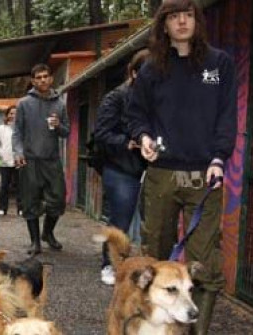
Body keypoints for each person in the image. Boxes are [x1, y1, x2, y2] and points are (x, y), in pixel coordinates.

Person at [125, 0, 237, 333]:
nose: (182, 22)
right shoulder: (151, 69)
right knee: (154, 255)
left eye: (188, 15)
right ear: (164, 25)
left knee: (204, 262)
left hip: (206, 175)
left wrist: (219, 158)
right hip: (161, 175)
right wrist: (142, 135)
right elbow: (135, 113)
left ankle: (195, 330)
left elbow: (227, 116)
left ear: (197, 21)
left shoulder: (220, 63)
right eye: (174, 17)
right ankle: (154, 328)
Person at [92, 49, 151, 285]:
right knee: (120, 221)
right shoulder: (116, 97)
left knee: (148, 224)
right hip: (120, 167)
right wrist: (129, 143)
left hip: (148, 169)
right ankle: (109, 265)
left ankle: (140, 267)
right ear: (134, 73)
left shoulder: (154, 99)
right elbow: (101, 134)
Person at [13, 64, 69, 255]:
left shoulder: (60, 104)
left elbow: (66, 132)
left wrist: (59, 125)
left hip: (52, 160)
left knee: (58, 200)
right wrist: (18, 152)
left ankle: (48, 233)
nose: (43, 80)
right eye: (38, 77)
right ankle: (35, 242)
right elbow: (17, 132)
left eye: (46, 76)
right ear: (33, 81)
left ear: (51, 79)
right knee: (30, 202)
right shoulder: (23, 104)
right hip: (30, 160)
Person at [0, 105, 22, 216]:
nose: (13, 115)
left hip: (19, 161)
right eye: (11, 113)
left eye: (16, 113)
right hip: (5, 161)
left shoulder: (22, 128)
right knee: (4, 186)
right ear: (7, 115)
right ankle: (2, 208)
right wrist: (2, 153)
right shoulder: (1, 128)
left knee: (20, 186)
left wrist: (22, 156)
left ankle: (21, 208)